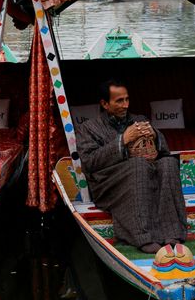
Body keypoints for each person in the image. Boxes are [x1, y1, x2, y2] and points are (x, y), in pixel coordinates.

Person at [77, 78, 187, 254]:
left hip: (144, 171)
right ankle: (142, 237)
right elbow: (90, 163)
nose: (125, 105)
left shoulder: (139, 119)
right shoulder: (88, 128)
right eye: (119, 101)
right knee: (138, 165)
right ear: (105, 103)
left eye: (127, 99)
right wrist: (123, 140)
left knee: (168, 163)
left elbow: (163, 151)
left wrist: (155, 136)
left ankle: (172, 233)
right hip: (107, 184)